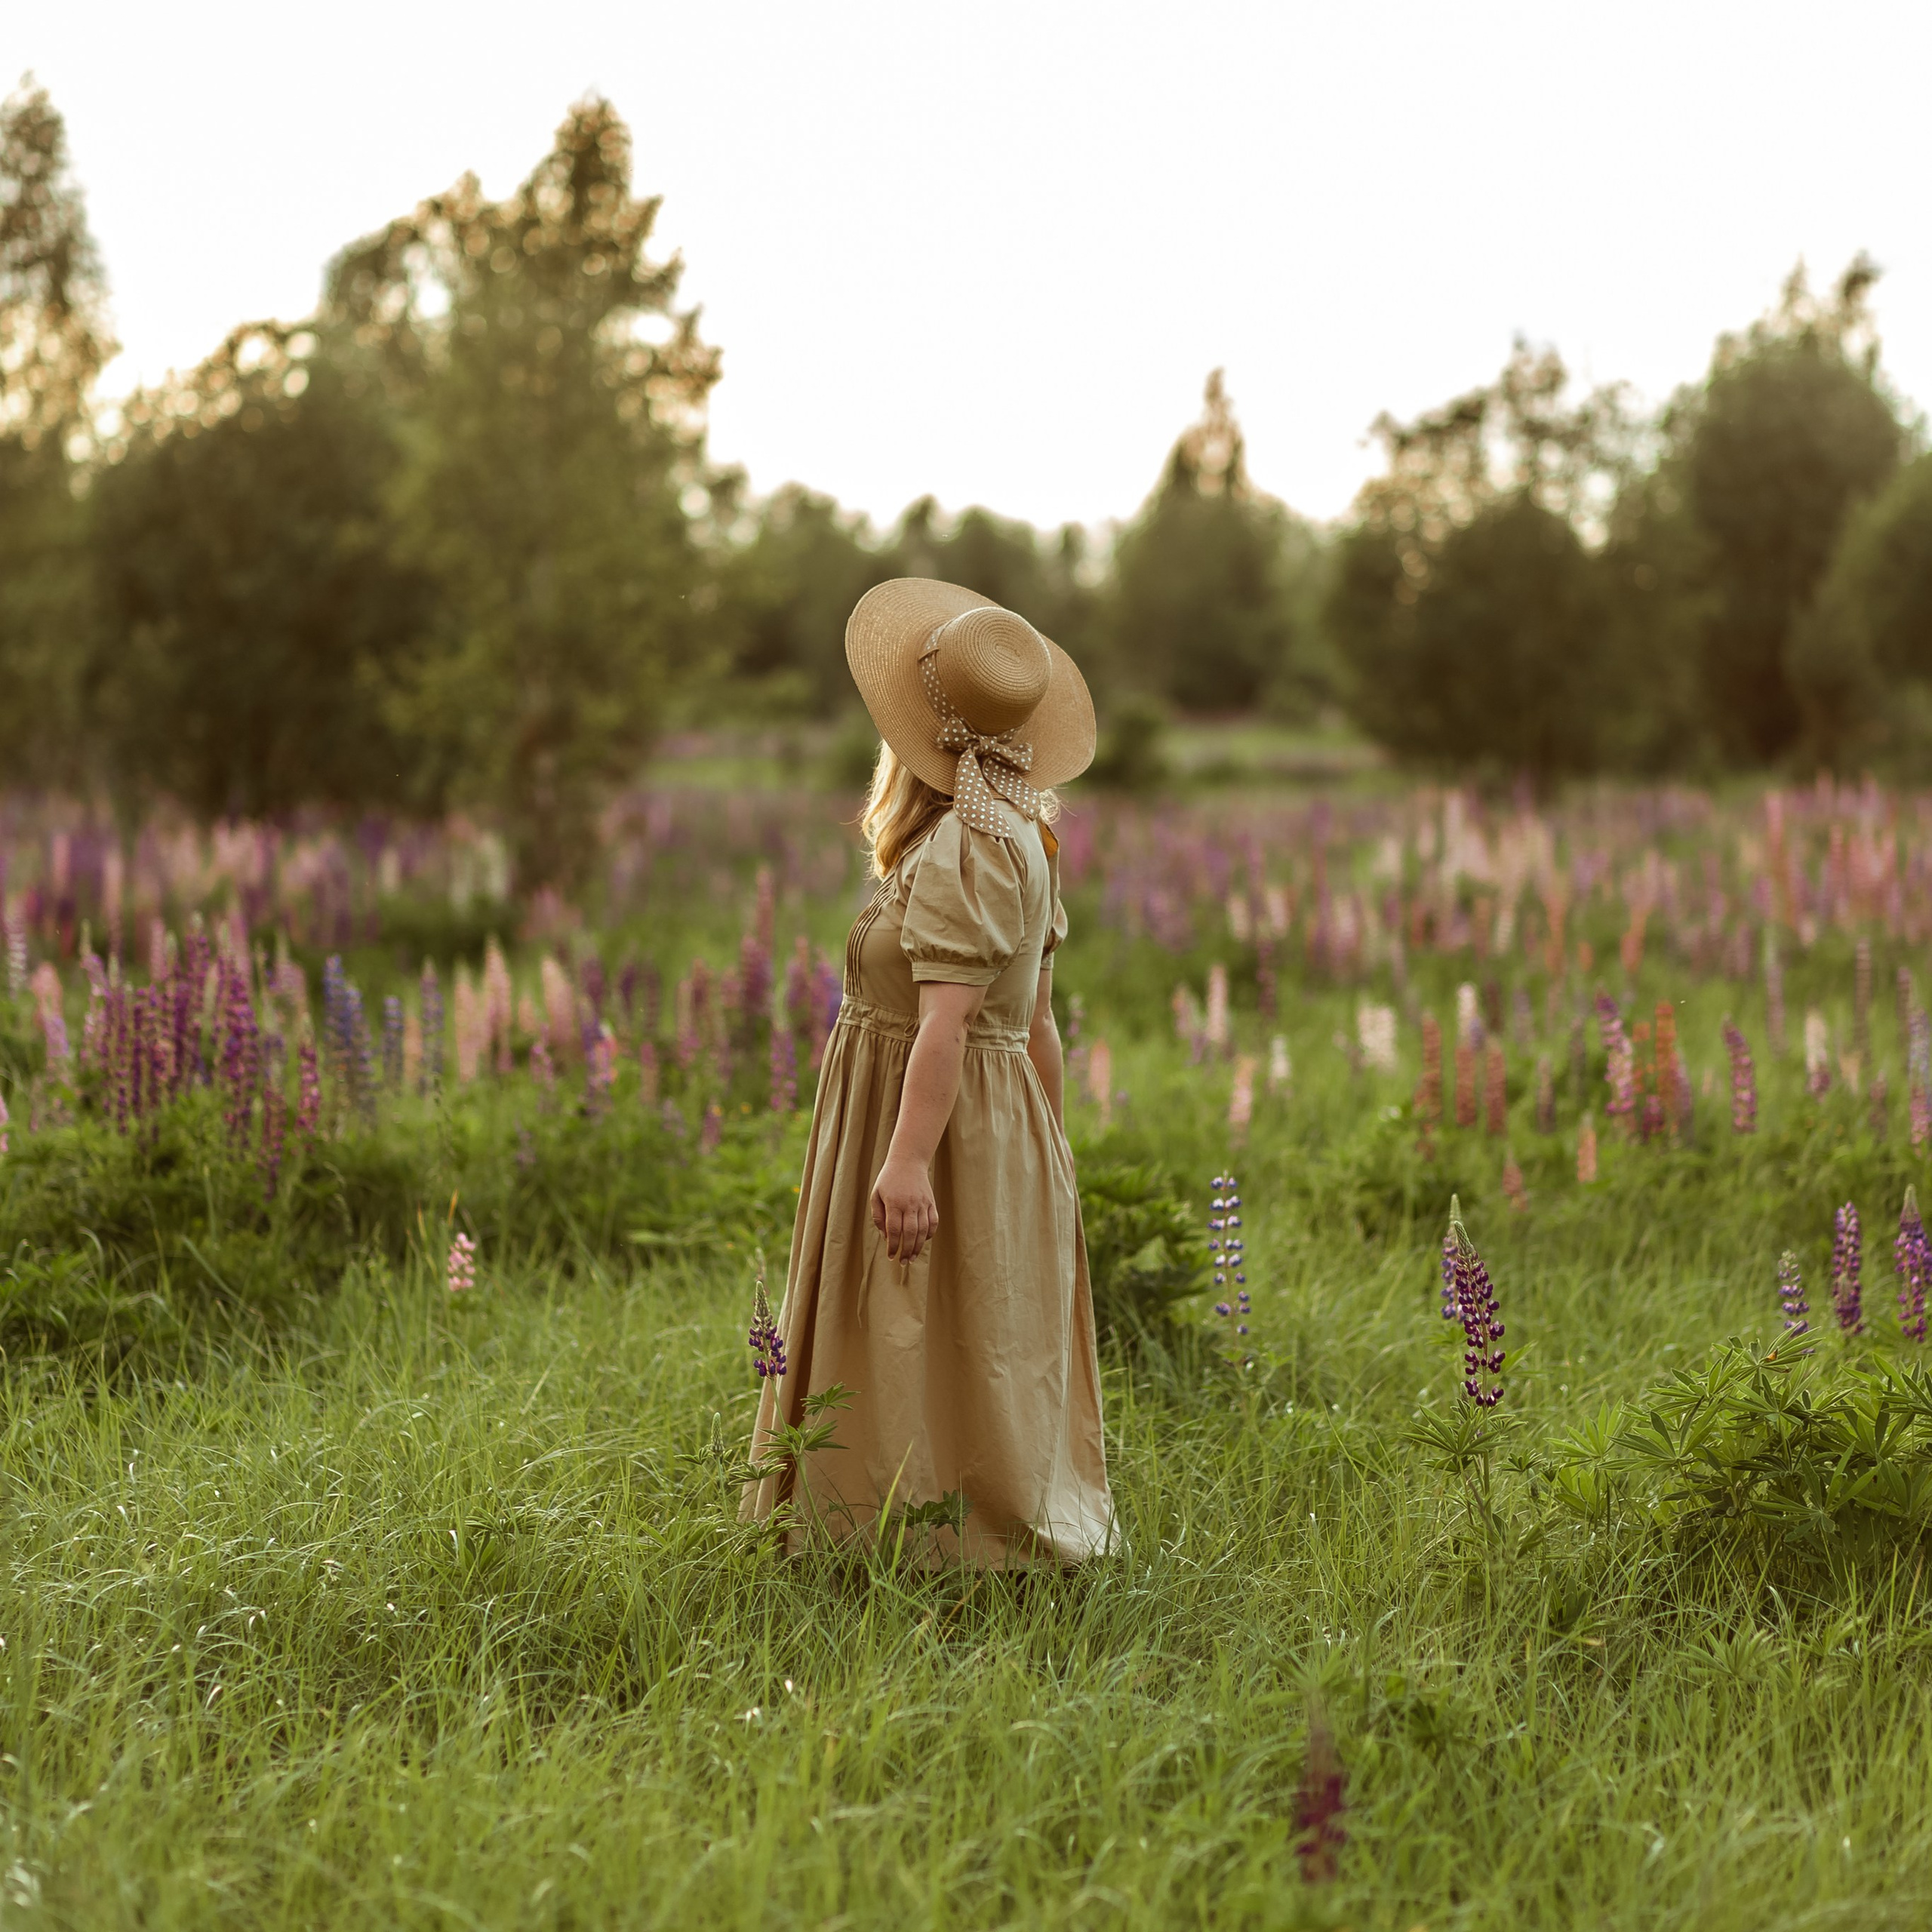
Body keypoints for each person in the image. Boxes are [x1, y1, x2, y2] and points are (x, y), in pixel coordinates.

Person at [741, 578, 1112, 1565]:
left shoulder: (965, 844)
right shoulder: (1025, 833)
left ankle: (907, 1542)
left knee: (912, 1321)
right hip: (996, 1118)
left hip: (931, 1113)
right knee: (968, 1326)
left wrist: (907, 1160)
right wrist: (1049, 1145)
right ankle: (934, 1526)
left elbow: (948, 1026)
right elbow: (1038, 1022)